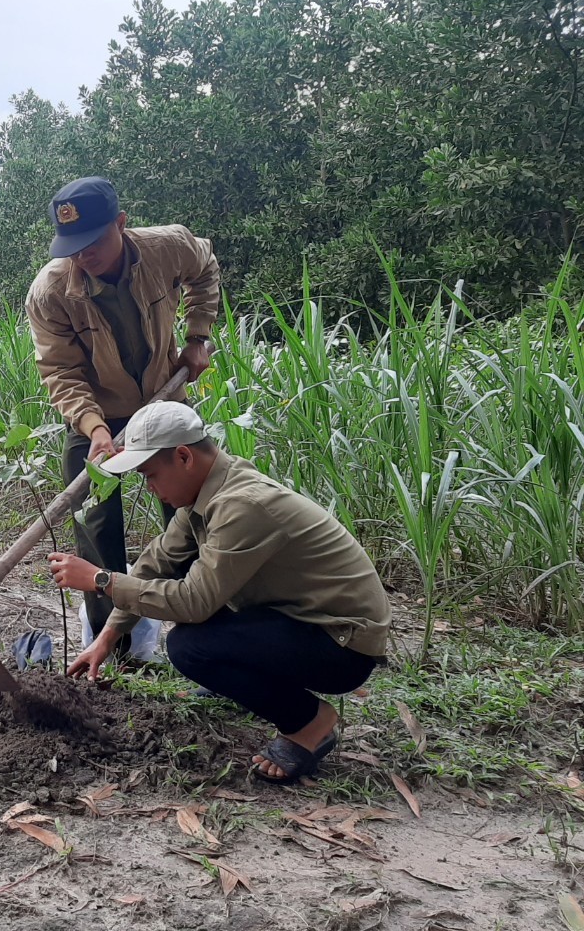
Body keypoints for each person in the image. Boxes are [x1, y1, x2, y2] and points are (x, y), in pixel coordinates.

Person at [47, 402, 391, 784]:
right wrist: (107, 638)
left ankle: (311, 723)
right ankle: (271, 695)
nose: (150, 488)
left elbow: (193, 602)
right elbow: (156, 561)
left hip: (342, 644)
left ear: (183, 457)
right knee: (200, 631)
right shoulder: (208, 492)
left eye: (150, 475)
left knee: (190, 646)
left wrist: (101, 580)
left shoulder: (242, 505)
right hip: (303, 621)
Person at [26, 176, 221, 654]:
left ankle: (212, 632)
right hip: (96, 414)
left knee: (195, 510)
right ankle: (112, 646)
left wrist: (197, 336)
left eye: (93, 243)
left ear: (121, 224)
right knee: (95, 525)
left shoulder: (167, 248)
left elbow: (206, 266)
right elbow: (61, 372)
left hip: (164, 399)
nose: (82, 256)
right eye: (72, 247)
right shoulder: (50, 292)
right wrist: (94, 429)